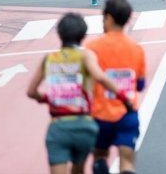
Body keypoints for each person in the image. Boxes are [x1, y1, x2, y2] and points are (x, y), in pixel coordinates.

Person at [26, 13, 130, 174]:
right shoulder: (85, 56)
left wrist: (46, 98)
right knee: (78, 169)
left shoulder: (49, 59)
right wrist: (123, 97)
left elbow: (31, 92)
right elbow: (100, 77)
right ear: (83, 35)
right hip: (84, 126)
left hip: (58, 127)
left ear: (59, 34)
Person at [86, 0, 146, 174]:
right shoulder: (136, 48)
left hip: (100, 113)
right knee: (127, 160)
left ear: (109, 18)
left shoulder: (93, 47)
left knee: (99, 155)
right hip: (127, 112)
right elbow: (141, 84)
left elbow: (87, 82)